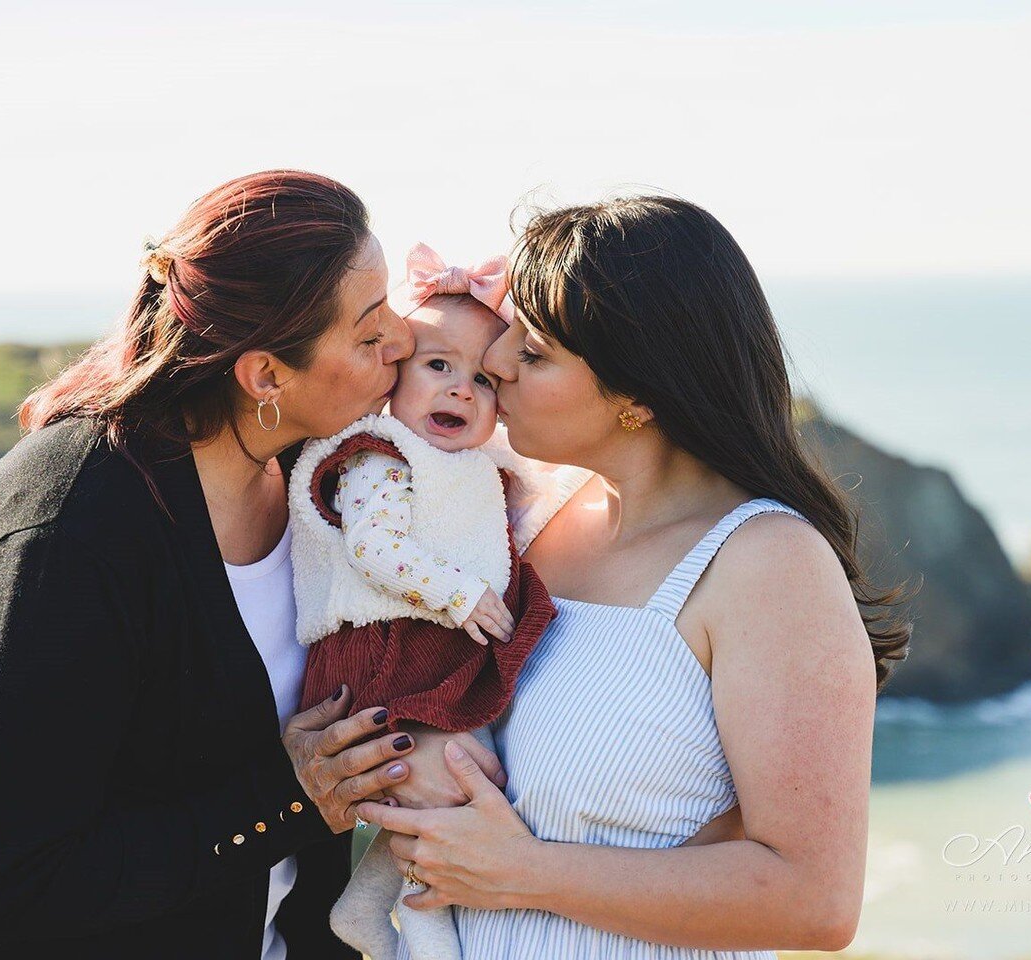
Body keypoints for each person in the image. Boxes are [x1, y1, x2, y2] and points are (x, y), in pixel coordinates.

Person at [0, 170, 505, 959]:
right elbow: (18, 884)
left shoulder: (315, 465)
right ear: (266, 376)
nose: (403, 343)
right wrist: (290, 798)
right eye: (370, 331)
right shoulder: (63, 538)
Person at [357, 195, 912, 958]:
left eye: (535, 351)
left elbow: (814, 901)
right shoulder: (522, 517)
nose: (494, 360)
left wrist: (525, 873)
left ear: (638, 397)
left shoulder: (766, 565)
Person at [287, 243, 584, 960]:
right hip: (384, 655)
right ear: (395, 374)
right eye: (438, 366)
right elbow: (372, 547)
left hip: (426, 657)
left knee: (459, 787)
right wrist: (461, 596)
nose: (459, 391)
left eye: (484, 380)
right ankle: (421, 932)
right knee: (458, 789)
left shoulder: (470, 467)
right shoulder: (378, 457)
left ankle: (371, 907)